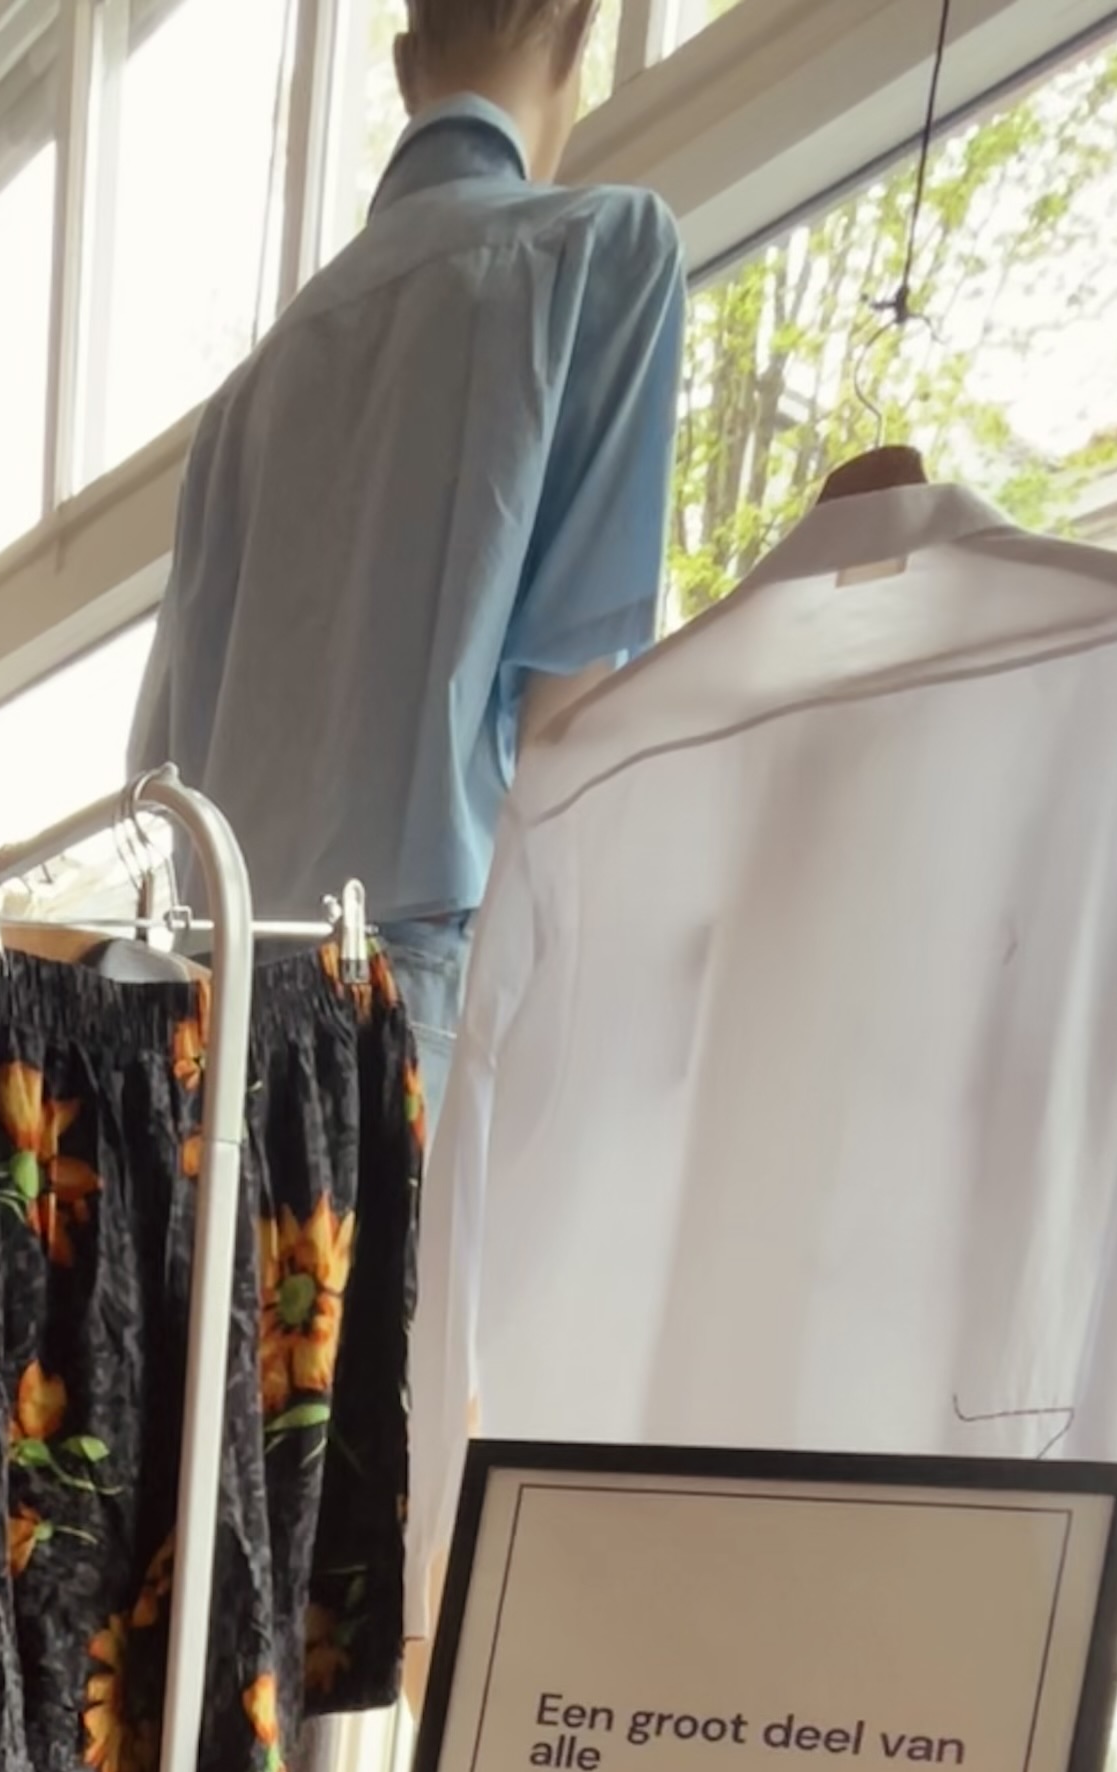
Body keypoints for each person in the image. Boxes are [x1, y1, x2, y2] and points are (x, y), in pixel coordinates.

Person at [130, 0, 685, 1039]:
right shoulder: (602, 253)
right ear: (579, 39)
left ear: (402, 65)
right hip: (421, 1007)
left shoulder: (244, 400)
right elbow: (570, 737)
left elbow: (162, 776)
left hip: (219, 1013)